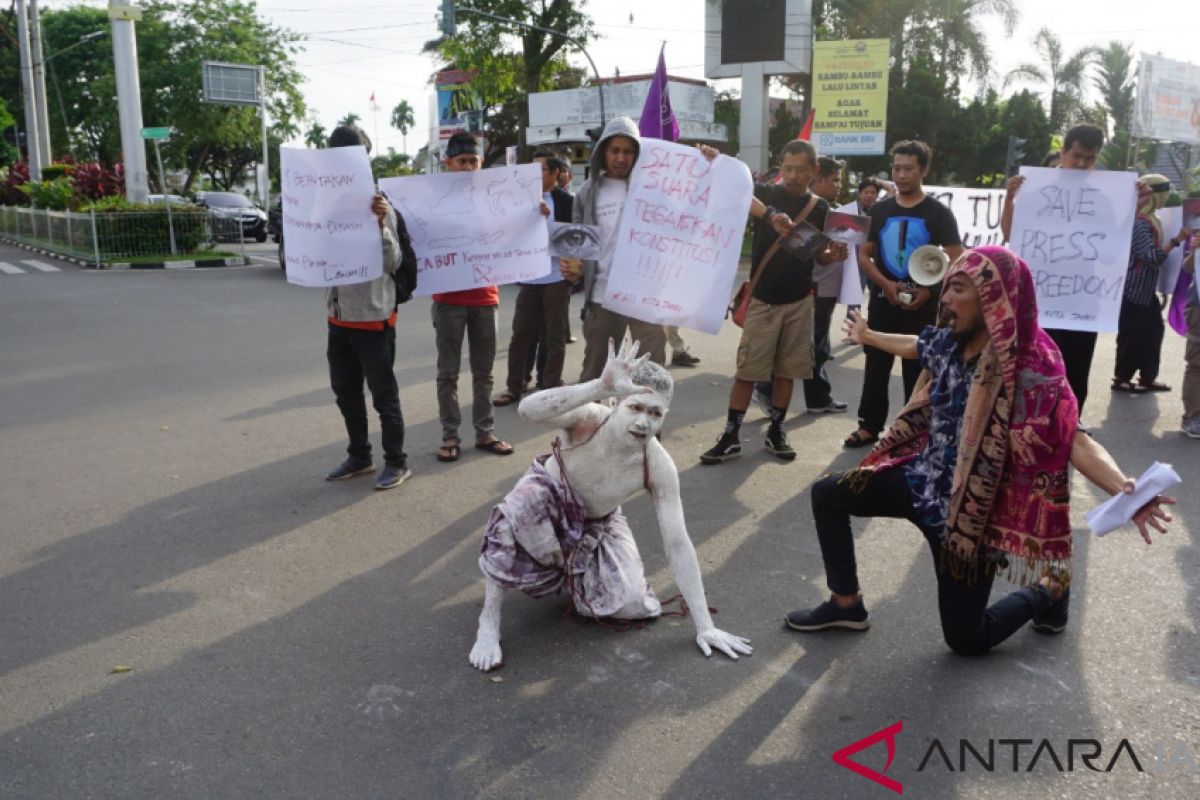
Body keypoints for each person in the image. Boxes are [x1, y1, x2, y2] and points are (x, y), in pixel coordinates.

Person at [786, 247, 1175, 654]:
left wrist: (1124, 488)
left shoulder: (1029, 367)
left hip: (971, 514)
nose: (946, 299)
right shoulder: (950, 342)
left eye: (958, 288)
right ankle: (846, 604)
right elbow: (915, 346)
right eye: (947, 288)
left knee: (966, 641)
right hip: (922, 481)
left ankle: (1048, 590)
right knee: (828, 495)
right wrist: (867, 336)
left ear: (997, 298)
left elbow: (1073, 438)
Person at [468, 339, 753, 671]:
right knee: (523, 505)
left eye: (654, 413)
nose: (644, 422)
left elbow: (677, 543)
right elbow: (527, 410)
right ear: (617, 402)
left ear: (665, 417)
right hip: (545, 504)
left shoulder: (657, 466)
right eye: (635, 408)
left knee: (633, 605)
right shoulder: (590, 418)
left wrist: (705, 625)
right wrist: (598, 386)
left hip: (597, 523)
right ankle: (489, 621)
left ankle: (572, 576)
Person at [700, 139, 849, 464]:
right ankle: (730, 434)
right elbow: (735, 187)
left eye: (801, 170)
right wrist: (715, 160)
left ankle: (777, 430)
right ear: (781, 167)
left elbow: (816, 257)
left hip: (799, 302)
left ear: (813, 171)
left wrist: (832, 255)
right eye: (788, 168)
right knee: (747, 372)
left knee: (786, 372)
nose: (794, 176)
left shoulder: (820, 208)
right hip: (763, 301)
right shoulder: (767, 195)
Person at [845, 140, 963, 449]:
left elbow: (957, 258)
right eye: (896, 168)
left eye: (908, 168)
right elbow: (865, 256)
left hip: (924, 308)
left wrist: (930, 290)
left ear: (923, 170)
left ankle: (914, 432)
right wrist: (886, 285)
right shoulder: (881, 210)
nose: (901, 175)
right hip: (884, 304)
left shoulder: (938, 213)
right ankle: (869, 426)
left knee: (919, 370)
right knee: (876, 366)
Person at [322, 125, 413, 491]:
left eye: (355, 156)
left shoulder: (381, 205)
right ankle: (360, 455)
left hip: (374, 319)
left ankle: (397, 462)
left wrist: (380, 225)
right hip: (339, 318)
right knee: (345, 393)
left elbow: (394, 262)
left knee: (383, 396)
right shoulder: (325, 204)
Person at [1000, 124, 1105, 417]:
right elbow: (1010, 234)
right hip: (1040, 301)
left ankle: (1069, 431)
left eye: (1090, 158)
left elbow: (1114, 250)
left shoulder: (1104, 195)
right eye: (1077, 156)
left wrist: (1134, 207)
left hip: (1082, 303)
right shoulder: (1035, 190)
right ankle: (1030, 434)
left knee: (1075, 376)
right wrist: (1009, 200)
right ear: (1063, 152)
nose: (1082, 164)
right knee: (1035, 372)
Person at [560, 116, 669, 380]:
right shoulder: (587, 193)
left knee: (651, 371)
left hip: (644, 295)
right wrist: (574, 269)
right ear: (603, 152)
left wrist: (708, 162)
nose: (621, 158)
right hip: (603, 296)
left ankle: (643, 421)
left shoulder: (654, 189)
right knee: (598, 372)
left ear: (637, 154)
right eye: (615, 150)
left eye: (628, 151)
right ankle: (592, 421)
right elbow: (580, 247)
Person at [432, 131, 514, 463]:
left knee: (485, 373)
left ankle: (485, 432)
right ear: (447, 163)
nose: (468, 168)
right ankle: (450, 436)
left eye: (474, 162)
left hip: (485, 297)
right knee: (447, 373)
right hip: (448, 300)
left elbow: (515, 230)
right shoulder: (430, 203)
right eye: (462, 161)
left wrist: (536, 215)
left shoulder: (495, 200)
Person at [494, 151, 573, 407]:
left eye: (540, 170)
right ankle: (514, 386)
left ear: (555, 173)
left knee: (555, 335)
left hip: (556, 278)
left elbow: (574, 239)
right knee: (521, 334)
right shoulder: (518, 201)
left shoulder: (566, 202)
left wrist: (546, 220)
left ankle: (549, 386)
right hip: (529, 277)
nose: (534, 175)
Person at [1112, 174, 1188, 392]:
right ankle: (1122, 377)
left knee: (1154, 331)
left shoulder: (1153, 219)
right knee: (1132, 334)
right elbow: (1150, 257)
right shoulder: (1139, 222)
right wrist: (1176, 242)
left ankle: (1147, 376)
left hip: (1146, 289)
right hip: (1134, 289)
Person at [1182, 233, 1200, 438]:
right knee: (1196, 363)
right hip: (1198, 308)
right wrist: (1195, 250)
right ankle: (1192, 417)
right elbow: (1187, 268)